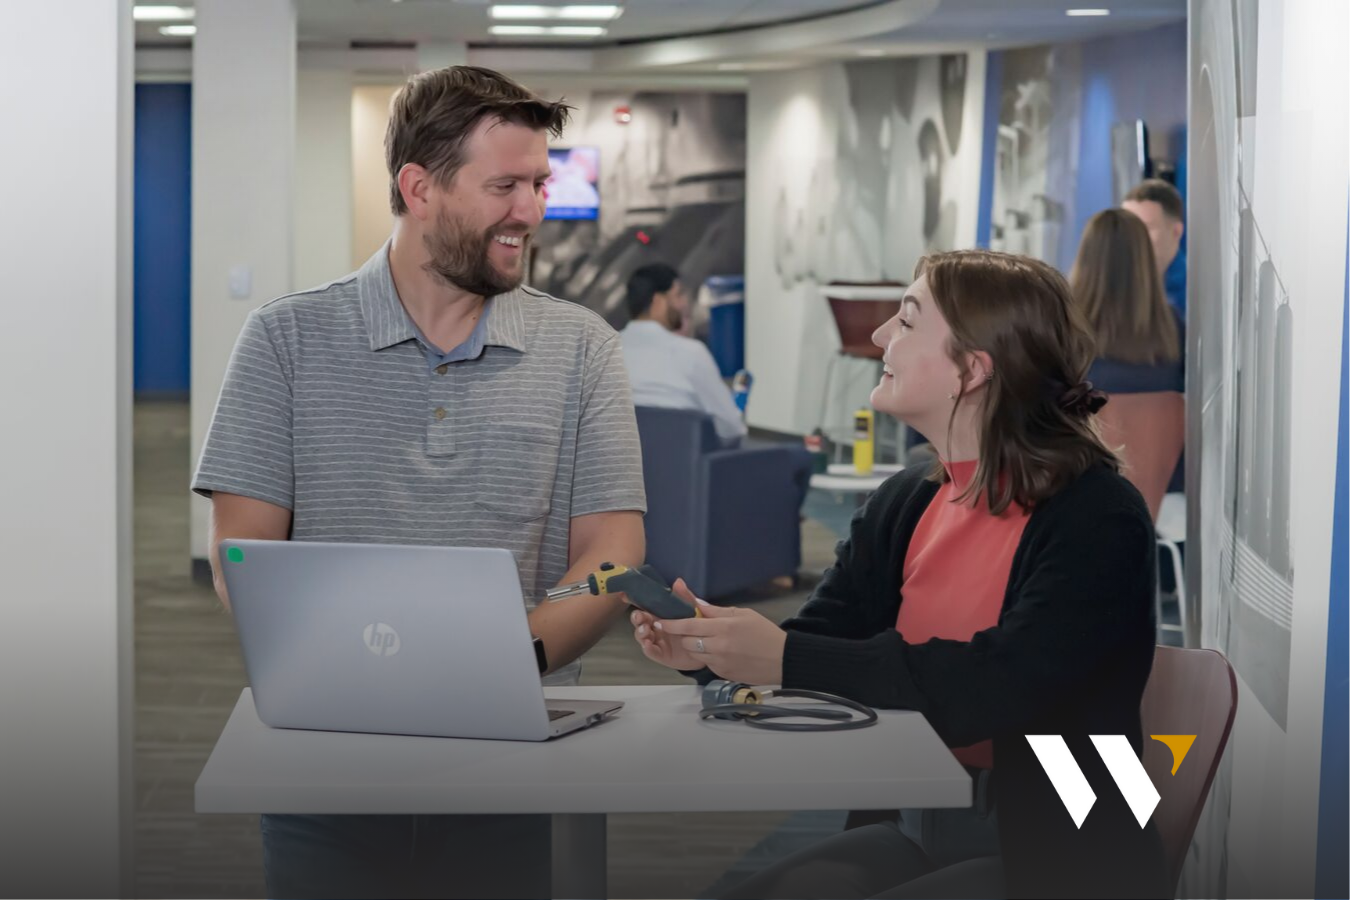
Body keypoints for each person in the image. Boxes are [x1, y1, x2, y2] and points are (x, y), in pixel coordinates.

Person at [192, 65, 647, 899]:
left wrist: (501, 667)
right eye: (505, 185)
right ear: (419, 188)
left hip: (515, 755)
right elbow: (242, 552)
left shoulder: (583, 348)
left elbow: (615, 556)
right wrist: (364, 669)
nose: (533, 211)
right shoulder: (285, 340)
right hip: (326, 752)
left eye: (540, 184)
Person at [631, 250, 1168, 899]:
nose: (881, 335)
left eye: (907, 322)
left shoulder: (1098, 515)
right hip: (913, 822)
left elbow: (1001, 685)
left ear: (971, 370)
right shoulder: (908, 499)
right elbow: (825, 642)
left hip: (1067, 852)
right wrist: (710, 647)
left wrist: (784, 656)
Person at [1071, 208, 1186, 517]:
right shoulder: (1173, 326)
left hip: (1077, 503)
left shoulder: (1062, 333)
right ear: (1144, 262)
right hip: (1166, 508)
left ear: (1086, 258)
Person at [620, 262, 749, 445]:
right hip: (682, 467)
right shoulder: (691, 353)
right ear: (658, 302)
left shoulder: (607, 350)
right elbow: (730, 428)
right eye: (678, 295)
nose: (684, 303)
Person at [1122, 178, 1186, 314]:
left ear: (1176, 232)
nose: (1133, 238)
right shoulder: (1115, 287)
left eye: (1145, 228)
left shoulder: (1194, 293)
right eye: (1127, 228)